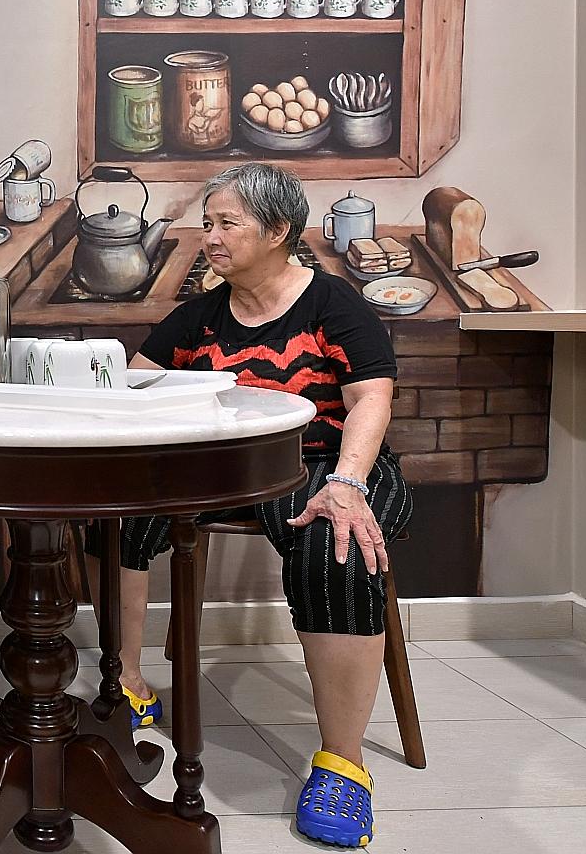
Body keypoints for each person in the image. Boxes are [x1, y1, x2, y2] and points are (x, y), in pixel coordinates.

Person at [85, 163, 412, 849]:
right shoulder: (201, 313)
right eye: (208, 223)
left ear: (279, 231)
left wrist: (346, 483)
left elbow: (371, 401)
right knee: (119, 509)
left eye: (226, 223)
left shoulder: (333, 305)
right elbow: (136, 388)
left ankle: (343, 765)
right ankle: (131, 685)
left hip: (330, 462)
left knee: (337, 546)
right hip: (231, 465)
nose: (210, 237)